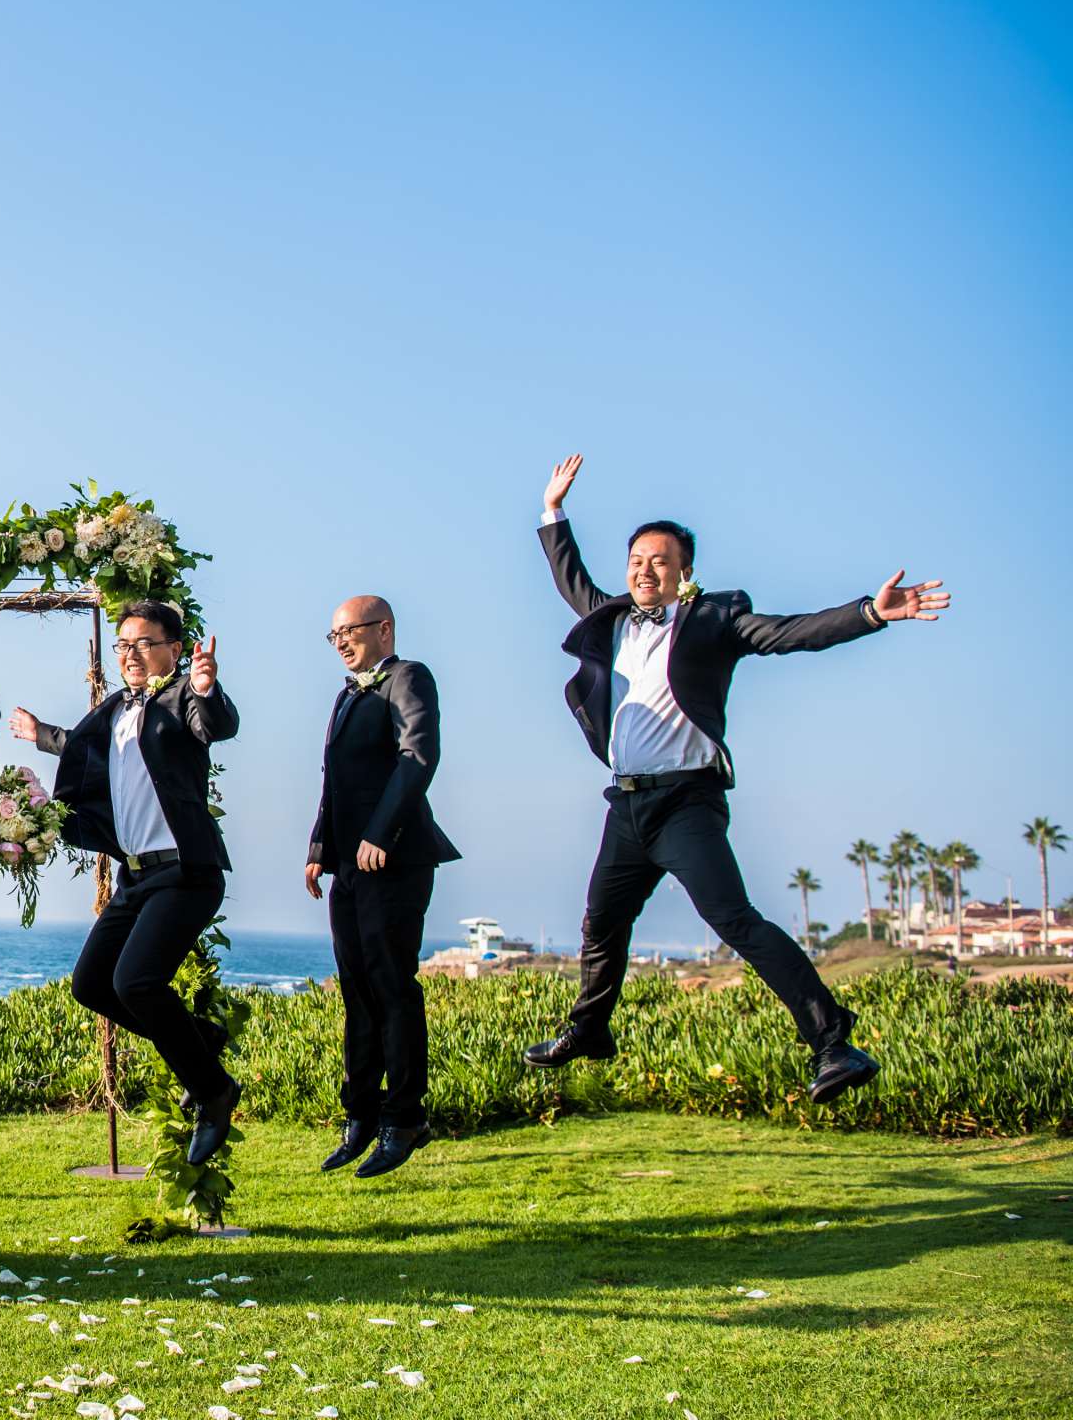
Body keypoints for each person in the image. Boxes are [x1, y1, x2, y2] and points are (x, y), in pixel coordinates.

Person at [521, 453, 949, 1101]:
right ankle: (589, 1030)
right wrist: (553, 511)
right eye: (636, 560)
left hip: (687, 801)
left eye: (659, 561)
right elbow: (569, 578)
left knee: (735, 921)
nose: (644, 570)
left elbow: (788, 634)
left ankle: (834, 1045)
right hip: (626, 806)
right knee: (600, 921)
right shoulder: (612, 619)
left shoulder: (715, 618)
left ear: (683, 572)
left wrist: (870, 613)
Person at [11, 599, 241, 1164]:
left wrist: (207, 687)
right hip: (135, 878)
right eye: (122, 646)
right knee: (92, 985)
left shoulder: (183, 695)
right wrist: (42, 734)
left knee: (137, 983)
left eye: (143, 644)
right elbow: (88, 746)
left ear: (174, 649)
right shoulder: (115, 707)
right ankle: (201, 1042)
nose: (130, 655)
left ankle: (214, 1091)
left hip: (186, 872)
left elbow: (214, 724)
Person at [304, 595, 458, 1178]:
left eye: (351, 630)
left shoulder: (407, 678)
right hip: (348, 866)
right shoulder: (347, 693)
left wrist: (380, 835)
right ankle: (360, 1116)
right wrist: (321, 848)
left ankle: (405, 1118)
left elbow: (417, 757)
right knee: (356, 992)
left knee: (393, 987)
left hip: (396, 860)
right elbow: (335, 782)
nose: (341, 640)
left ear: (385, 629)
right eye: (334, 633)